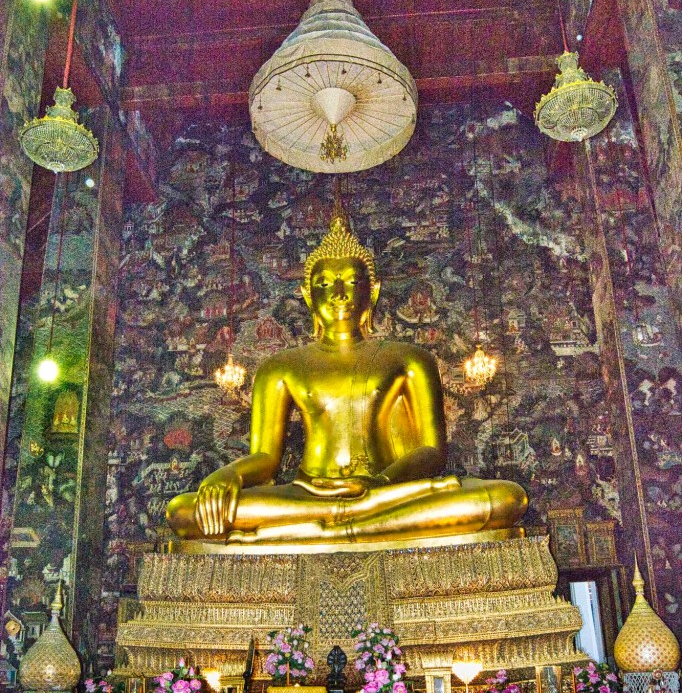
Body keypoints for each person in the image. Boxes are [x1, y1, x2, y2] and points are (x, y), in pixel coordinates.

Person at [166, 208, 527, 544]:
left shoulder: (408, 358)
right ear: (308, 296)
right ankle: (347, 519)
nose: (339, 294)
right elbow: (265, 457)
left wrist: (378, 483)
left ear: (373, 292)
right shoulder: (281, 366)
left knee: (504, 498)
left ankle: (326, 526)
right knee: (184, 511)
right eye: (325, 284)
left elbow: (432, 451)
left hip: (385, 491)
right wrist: (229, 474)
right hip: (307, 492)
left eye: (352, 282)